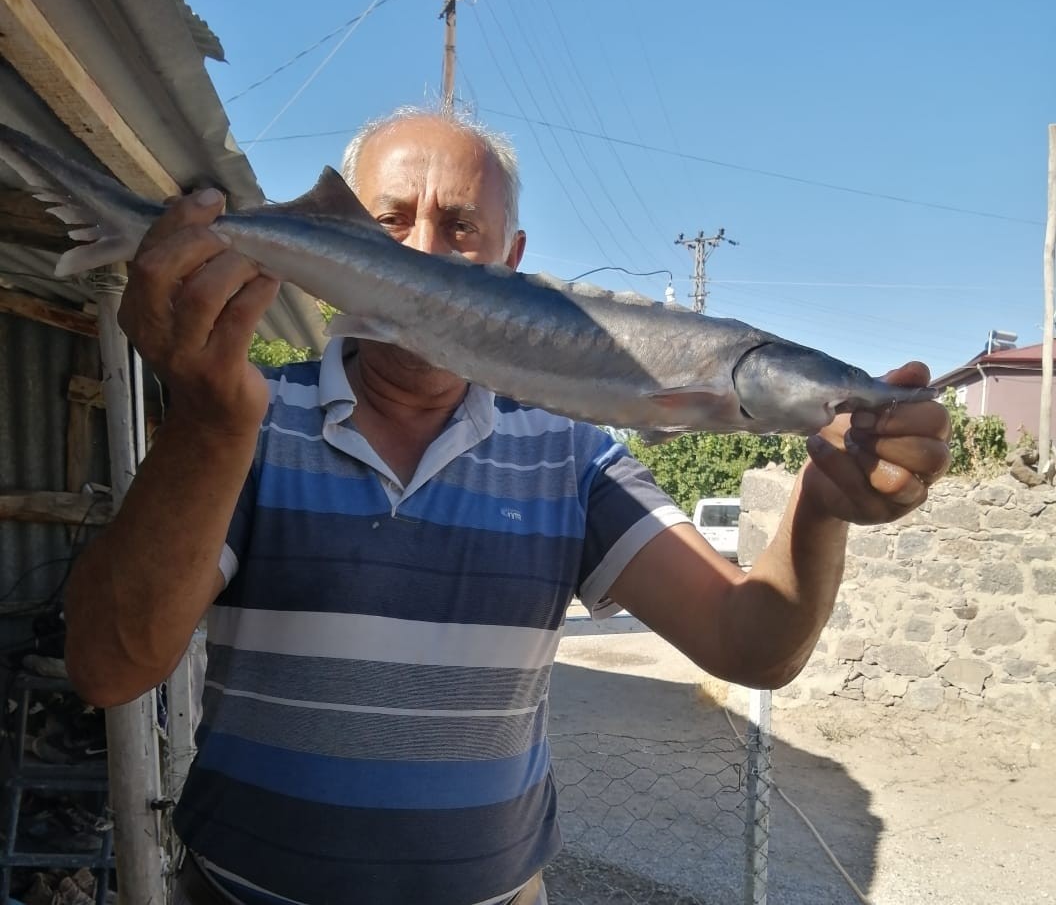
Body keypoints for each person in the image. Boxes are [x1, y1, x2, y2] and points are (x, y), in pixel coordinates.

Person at [63, 107, 951, 905]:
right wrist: (211, 425)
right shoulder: (247, 415)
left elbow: (749, 642)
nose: (422, 252)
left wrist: (821, 505)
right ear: (328, 246)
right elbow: (108, 668)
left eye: (460, 227)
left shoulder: (571, 449)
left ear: (510, 260)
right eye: (387, 223)